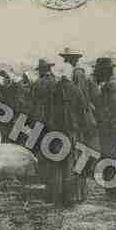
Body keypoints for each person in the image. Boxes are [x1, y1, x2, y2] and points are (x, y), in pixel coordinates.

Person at [49, 61, 88, 206]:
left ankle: (56, 196)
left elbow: (50, 111)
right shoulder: (76, 90)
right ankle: (69, 197)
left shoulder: (55, 89)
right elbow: (83, 109)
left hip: (56, 131)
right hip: (72, 131)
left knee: (57, 163)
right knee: (70, 163)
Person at [93, 57, 116, 201]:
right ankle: (115, 192)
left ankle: (114, 193)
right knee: (111, 159)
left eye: (98, 71)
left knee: (110, 159)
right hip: (113, 129)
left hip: (111, 131)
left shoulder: (110, 86)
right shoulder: (112, 84)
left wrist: (107, 124)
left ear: (104, 71)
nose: (96, 73)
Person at [30, 58, 57, 183]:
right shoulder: (55, 82)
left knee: (40, 146)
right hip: (53, 118)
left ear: (41, 70)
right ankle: (51, 174)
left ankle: (42, 174)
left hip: (38, 118)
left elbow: (32, 101)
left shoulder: (37, 83)